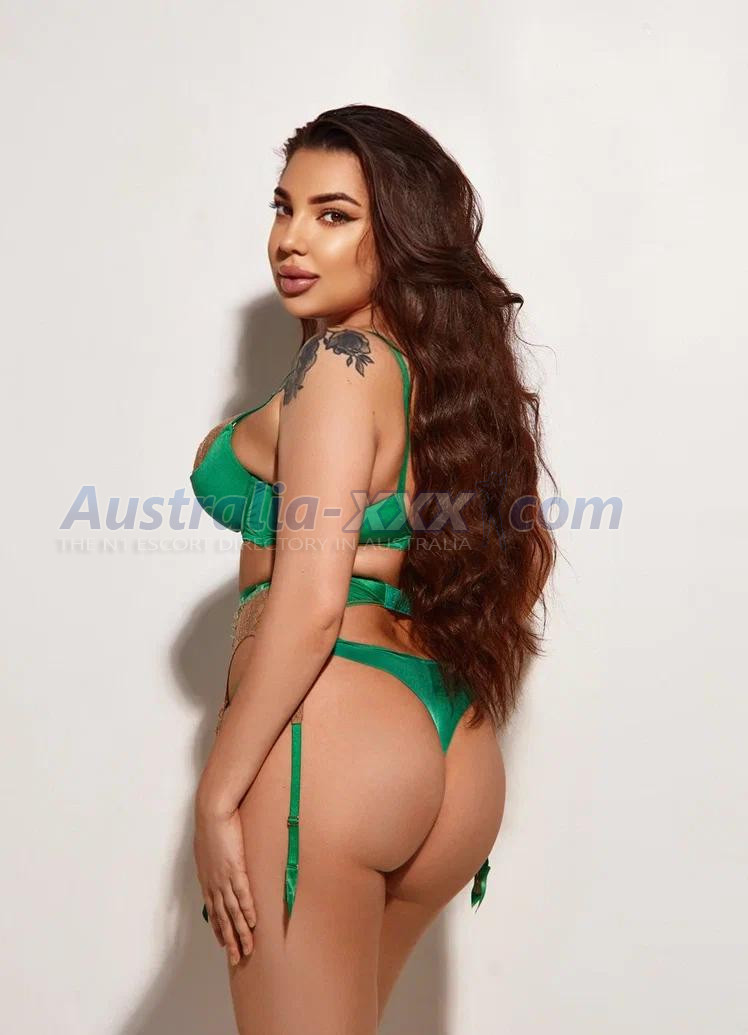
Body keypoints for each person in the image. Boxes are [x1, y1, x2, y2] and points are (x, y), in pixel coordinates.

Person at [190, 104, 555, 1034]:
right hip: (450, 744)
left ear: (397, 233)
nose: (291, 239)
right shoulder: (446, 384)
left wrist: (219, 793)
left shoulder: (340, 364)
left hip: (331, 737)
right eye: (285, 207)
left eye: (333, 214)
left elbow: (313, 600)